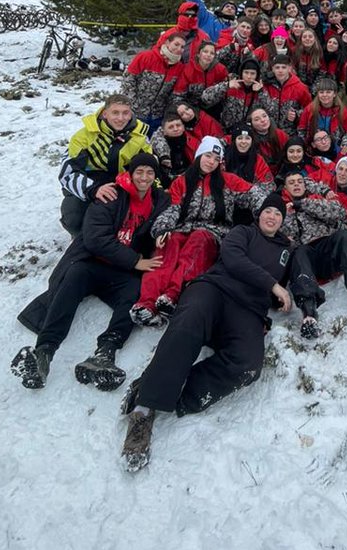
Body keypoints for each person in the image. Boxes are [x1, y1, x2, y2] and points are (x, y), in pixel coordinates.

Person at [120, 195, 294, 472]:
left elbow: (301, 273)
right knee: (187, 325)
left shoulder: (287, 250)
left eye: (277, 213)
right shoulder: (242, 232)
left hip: (248, 311)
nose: (272, 216)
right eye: (268, 211)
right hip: (214, 289)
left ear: (283, 220)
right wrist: (274, 285)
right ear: (259, 214)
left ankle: (169, 387)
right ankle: (144, 410)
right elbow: (234, 259)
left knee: (248, 365)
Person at [12, 153, 169, 391]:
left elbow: (167, 220)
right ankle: (44, 351)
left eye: (149, 173)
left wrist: (162, 234)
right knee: (72, 279)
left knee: (135, 294)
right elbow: (95, 238)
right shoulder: (111, 195)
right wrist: (136, 261)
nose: (144, 178)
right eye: (139, 172)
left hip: (122, 273)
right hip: (93, 263)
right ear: (130, 173)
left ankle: (105, 352)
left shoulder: (159, 200)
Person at [131, 136, 263, 325]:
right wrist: (162, 229)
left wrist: (268, 213)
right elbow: (173, 209)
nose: (211, 162)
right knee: (168, 244)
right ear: (199, 155)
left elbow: (255, 195)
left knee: (197, 241)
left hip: (212, 231)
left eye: (216, 159)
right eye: (208, 156)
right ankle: (147, 303)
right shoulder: (182, 181)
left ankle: (172, 295)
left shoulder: (228, 180)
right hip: (182, 228)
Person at [280, 171, 347, 336]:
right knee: (299, 251)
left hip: (329, 249)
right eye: (292, 182)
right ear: (286, 188)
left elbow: (338, 212)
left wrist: (303, 204)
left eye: (299, 181)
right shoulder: (281, 209)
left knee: (346, 235)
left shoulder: (317, 198)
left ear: (305, 184)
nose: (296, 185)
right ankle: (309, 313)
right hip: (308, 257)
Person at [58, 94, 152, 236]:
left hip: (121, 183)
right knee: (74, 219)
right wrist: (93, 189)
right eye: (115, 113)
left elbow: (149, 168)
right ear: (105, 113)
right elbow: (68, 173)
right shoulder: (83, 136)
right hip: (88, 183)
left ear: (131, 114)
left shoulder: (140, 137)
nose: (121, 118)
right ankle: (79, 238)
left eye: (125, 113)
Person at [119, 29, 188, 131]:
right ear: (167, 43)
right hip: (135, 113)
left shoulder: (180, 68)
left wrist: (169, 111)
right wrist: (133, 105)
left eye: (182, 47)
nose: (179, 49)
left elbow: (175, 94)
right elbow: (128, 81)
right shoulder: (146, 57)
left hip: (158, 117)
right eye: (176, 44)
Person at [298, 78, 347, 155]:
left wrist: (345, 144)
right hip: (314, 149)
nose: (324, 95)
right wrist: (304, 146)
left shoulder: (342, 110)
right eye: (321, 92)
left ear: (334, 94)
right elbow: (301, 130)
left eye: (328, 92)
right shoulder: (309, 109)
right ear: (318, 94)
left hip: (336, 149)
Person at [262, 52, 312, 130]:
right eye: (277, 67)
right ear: (273, 69)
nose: (280, 71)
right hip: (268, 130)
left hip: (290, 132)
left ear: (289, 68)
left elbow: (309, 109)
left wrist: (296, 115)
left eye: (283, 67)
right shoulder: (266, 85)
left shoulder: (300, 87)